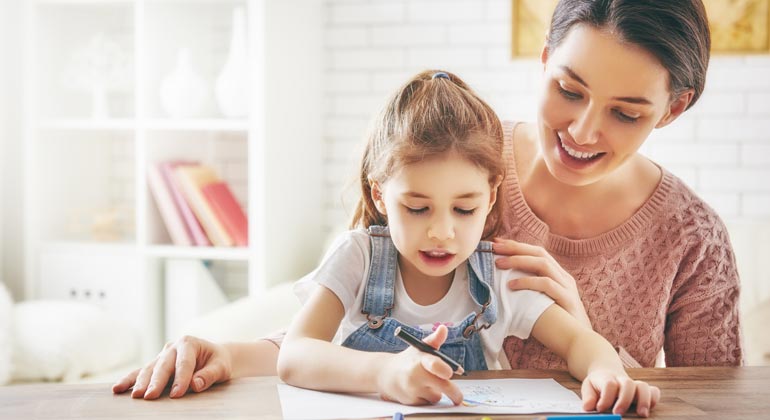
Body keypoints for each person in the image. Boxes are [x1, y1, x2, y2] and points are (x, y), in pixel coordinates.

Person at [113, 0, 741, 402]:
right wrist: (228, 352)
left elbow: (716, 403)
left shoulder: (692, 240)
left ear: (672, 109)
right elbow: (353, 322)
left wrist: (594, 343)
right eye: (568, 90)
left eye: (626, 113)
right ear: (545, 59)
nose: (582, 131)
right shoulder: (456, 156)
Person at [276, 69, 657, 416]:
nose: (441, 232)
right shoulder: (357, 257)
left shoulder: (498, 277)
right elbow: (295, 355)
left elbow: (579, 343)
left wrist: (606, 372)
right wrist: (385, 372)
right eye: (417, 208)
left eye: (463, 210)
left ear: (489, 198)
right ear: (380, 196)